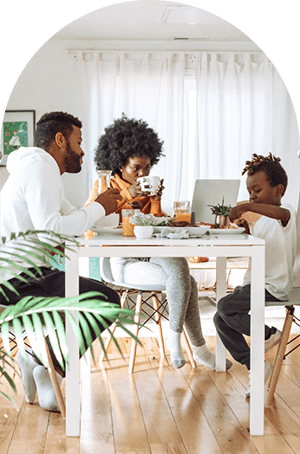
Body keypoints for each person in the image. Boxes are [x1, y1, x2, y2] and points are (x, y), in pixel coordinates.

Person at [86, 114, 233, 371]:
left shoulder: (148, 189)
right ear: (120, 164)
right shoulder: (104, 186)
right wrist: (125, 194)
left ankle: (181, 343)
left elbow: (155, 229)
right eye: (136, 168)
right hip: (122, 261)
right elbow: (88, 227)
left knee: (180, 268)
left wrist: (155, 201)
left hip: (151, 254)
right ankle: (193, 347)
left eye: (148, 167)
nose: (143, 173)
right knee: (187, 279)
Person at [0, 111, 122, 411]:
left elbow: (67, 218)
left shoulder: (39, 169)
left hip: (23, 273)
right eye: (78, 142)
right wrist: (97, 207)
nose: (82, 151)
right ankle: (45, 365)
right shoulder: (41, 168)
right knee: (106, 300)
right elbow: (52, 229)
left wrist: (100, 208)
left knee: (97, 298)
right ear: (60, 139)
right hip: (14, 280)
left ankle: (40, 361)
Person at [213, 153, 297, 396]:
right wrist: (247, 228)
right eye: (250, 192)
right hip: (254, 282)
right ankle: (255, 365)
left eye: (257, 191)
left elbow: (281, 217)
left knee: (225, 307)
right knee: (220, 318)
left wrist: (248, 207)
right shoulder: (262, 221)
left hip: (272, 285)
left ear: (278, 190)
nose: (252, 197)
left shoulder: (286, 212)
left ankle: (270, 334)